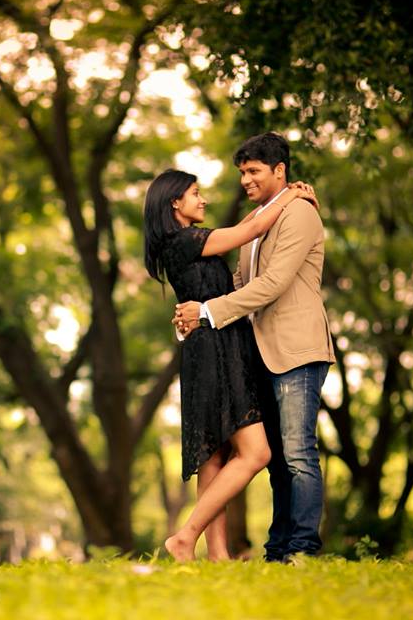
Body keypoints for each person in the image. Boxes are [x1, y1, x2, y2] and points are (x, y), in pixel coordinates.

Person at [174, 132, 335, 562]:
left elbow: (274, 284)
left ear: (279, 171)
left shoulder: (299, 213)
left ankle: (302, 548)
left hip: (297, 349)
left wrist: (207, 310)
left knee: (299, 452)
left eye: (253, 171)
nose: (245, 180)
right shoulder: (256, 222)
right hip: (260, 353)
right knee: (278, 458)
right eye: (242, 173)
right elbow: (244, 283)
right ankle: (278, 549)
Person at [143, 168, 316, 562]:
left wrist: (283, 196)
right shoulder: (183, 240)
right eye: (195, 193)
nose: (202, 199)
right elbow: (247, 232)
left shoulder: (186, 242)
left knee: (216, 455)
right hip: (216, 351)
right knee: (256, 453)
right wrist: (291, 195)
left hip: (214, 346)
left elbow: (243, 225)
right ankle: (185, 536)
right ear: (175, 203)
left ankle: (218, 555)